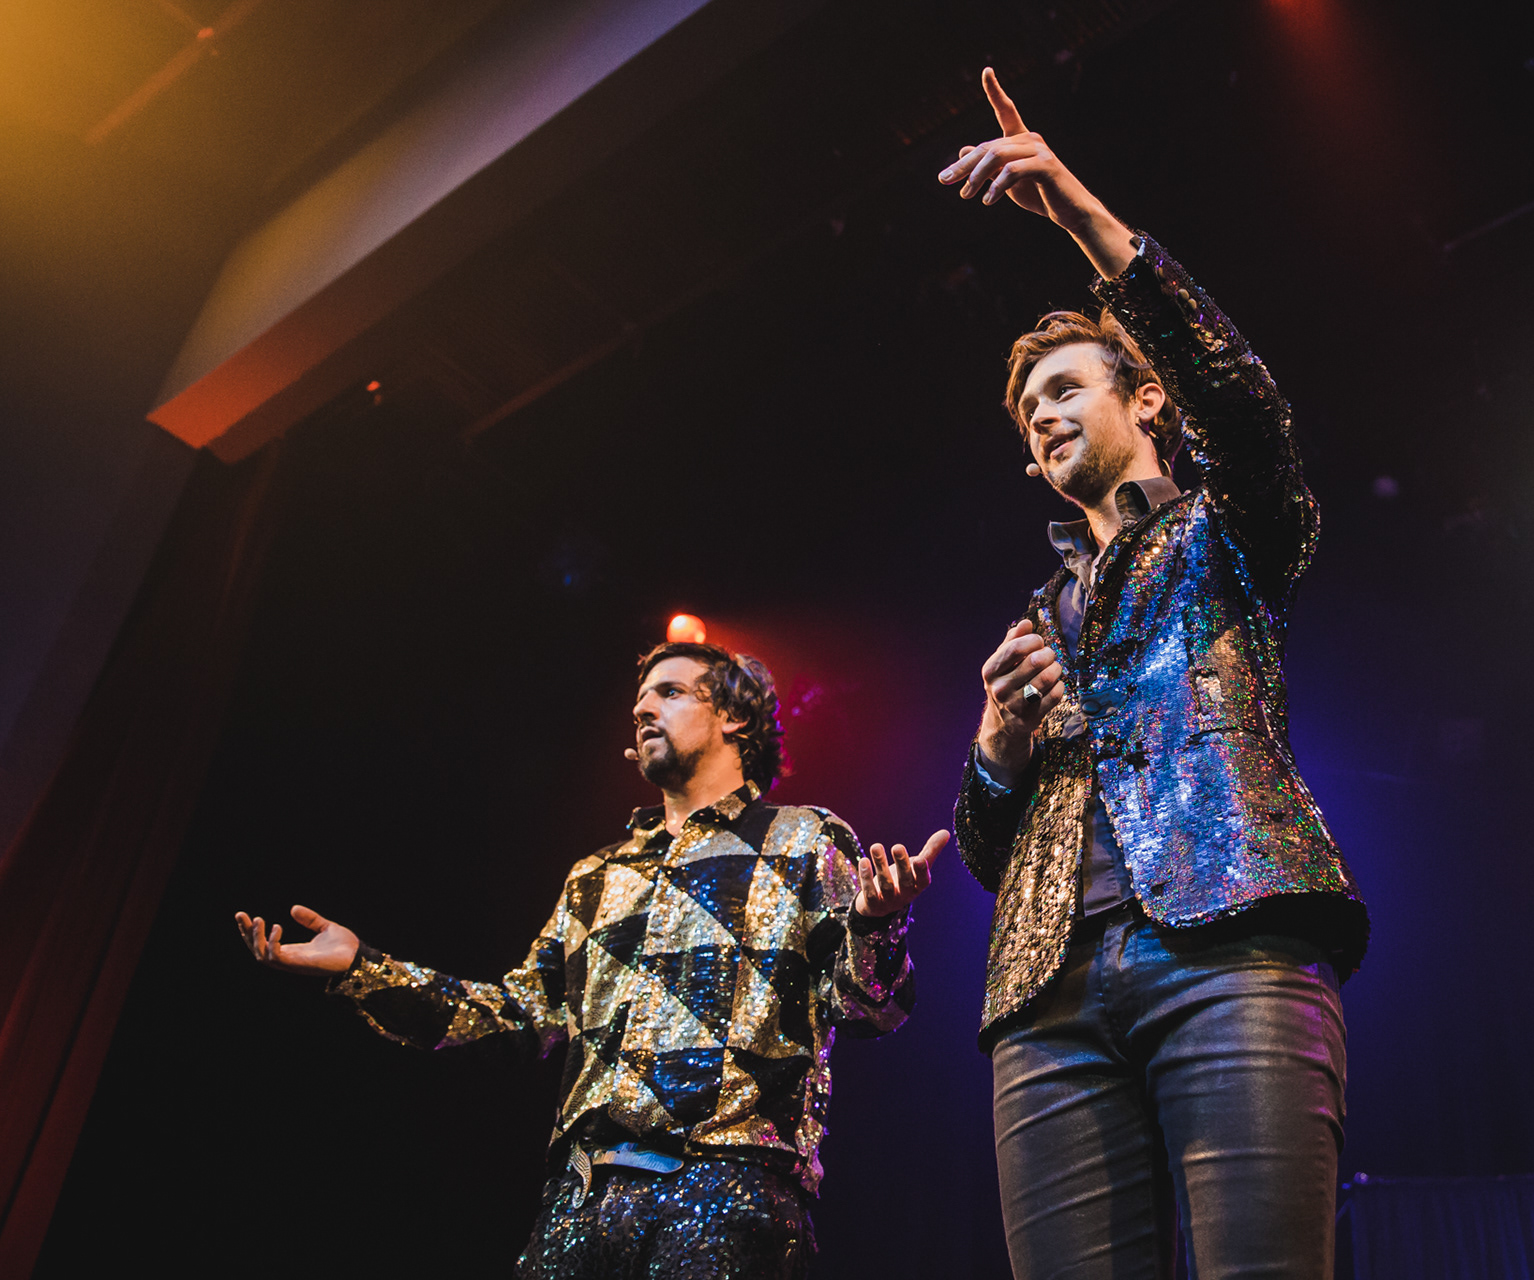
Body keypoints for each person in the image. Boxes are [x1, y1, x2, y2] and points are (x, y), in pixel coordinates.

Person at [942, 70, 1371, 1279]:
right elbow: (989, 852)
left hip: (1228, 946)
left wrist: (1084, 219)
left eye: (1064, 387)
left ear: (1144, 399)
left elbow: (1245, 406)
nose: (1041, 415)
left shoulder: (1230, 529)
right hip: (1048, 1004)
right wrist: (995, 747)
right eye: (1027, 411)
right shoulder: (1038, 619)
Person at [236, 642, 945, 1279]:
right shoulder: (596, 876)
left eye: (670, 692)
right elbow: (515, 1017)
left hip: (728, 1195)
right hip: (580, 1206)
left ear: (734, 717)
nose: (642, 707)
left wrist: (877, 923)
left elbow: (872, 1010)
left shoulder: (805, 838)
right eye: (640, 698)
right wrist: (364, 968)